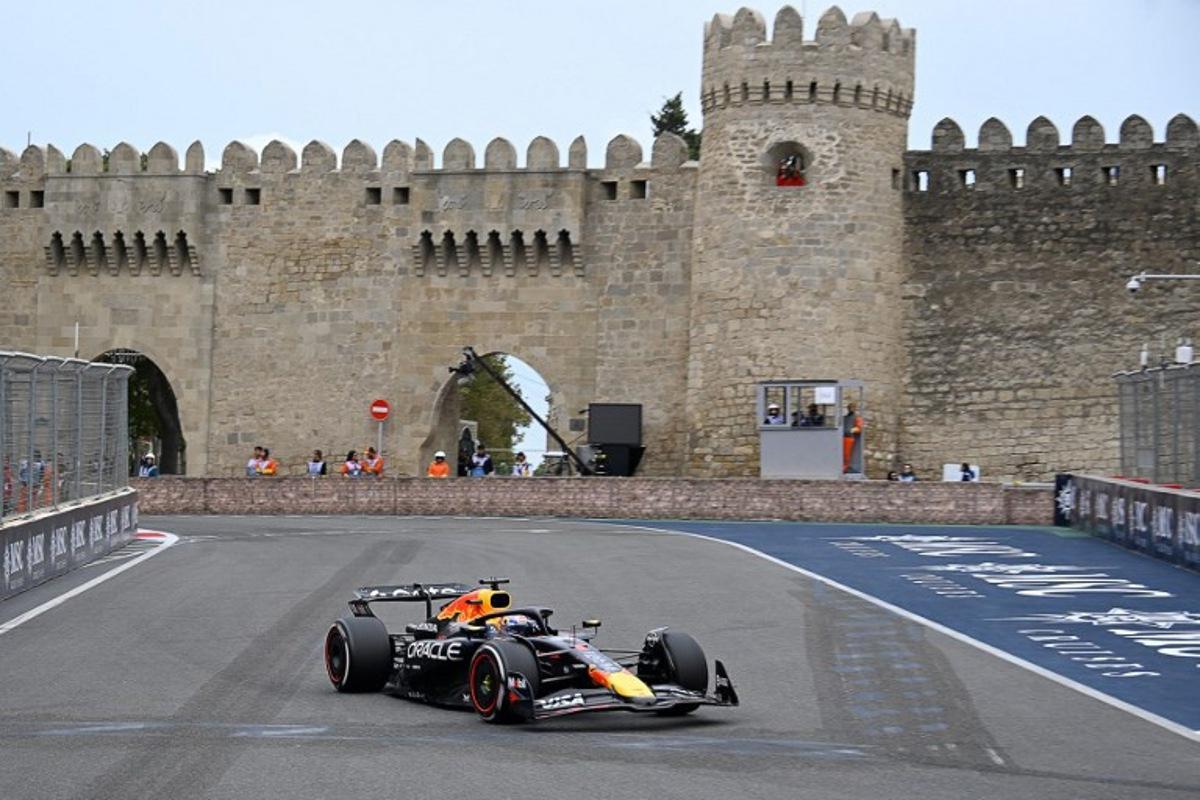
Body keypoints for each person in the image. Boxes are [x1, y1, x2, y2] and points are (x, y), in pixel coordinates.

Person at [842, 402, 864, 473]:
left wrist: (851, 430)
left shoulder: (857, 418)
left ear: (854, 408)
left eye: (852, 407)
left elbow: (859, 428)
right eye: (849, 407)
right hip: (842, 437)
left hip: (849, 438)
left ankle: (845, 467)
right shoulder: (845, 418)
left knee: (846, 454)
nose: (850, 409)